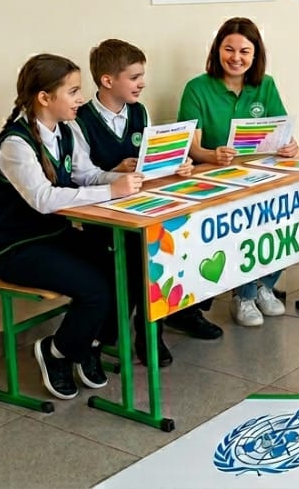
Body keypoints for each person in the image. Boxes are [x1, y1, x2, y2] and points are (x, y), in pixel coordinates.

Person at [0, 54, 144, 400]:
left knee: (127, 269)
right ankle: (56, 351)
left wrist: (125, 179)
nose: (80, 99)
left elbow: (86, 174)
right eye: (72, 92)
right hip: (17, 248)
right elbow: (43, 198)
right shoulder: (15, 144)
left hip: (55, 237)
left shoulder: (67, 131)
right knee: (96, 289)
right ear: (44, 97)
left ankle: (91, 344)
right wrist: (111, 191)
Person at [72, 39, 193, 366]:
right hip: (102, 217)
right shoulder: (79, 121)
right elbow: (80, 176)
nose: (142, 83)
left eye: (142, 76)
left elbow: (151, 159)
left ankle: (151, 332)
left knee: (164, 249)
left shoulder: (139, 112)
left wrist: (176, 163)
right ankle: (107, 336)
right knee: (139, 257)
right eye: (135, 77)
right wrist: (115, 172)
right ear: (107, 80)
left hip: (141, 208)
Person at [175, 17, 299, 328]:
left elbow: (281, 133)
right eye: (228, 49)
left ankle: (264, 285)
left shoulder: (265, 85)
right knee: (242, 222)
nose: (236, 58)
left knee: (290, 214)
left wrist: (289, 146)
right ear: (217, 50)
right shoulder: (197, 88)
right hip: (216, 181)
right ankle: (244, 295)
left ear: (255, 55)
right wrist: (211, 155)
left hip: (261, 175)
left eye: (244, 51)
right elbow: (192, 148)